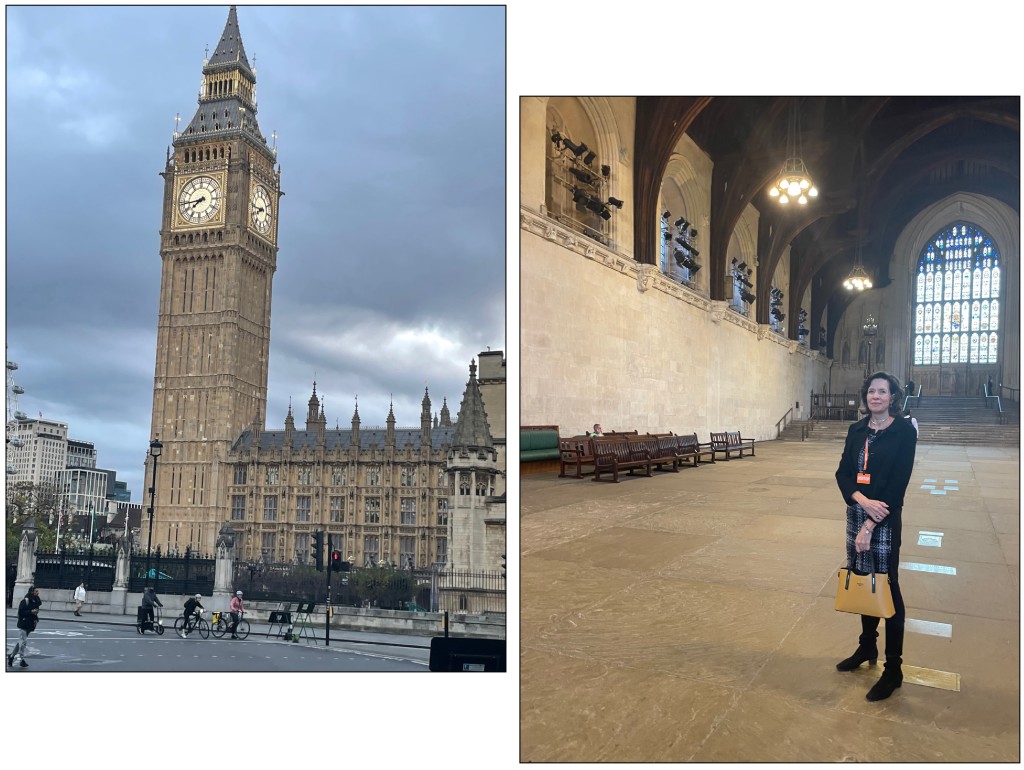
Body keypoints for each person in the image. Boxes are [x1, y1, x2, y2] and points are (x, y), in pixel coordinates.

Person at [835, 371, 917, 702]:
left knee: (886, 585)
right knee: (862, 579)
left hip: (883, 519)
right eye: (871, 391)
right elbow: (843, 472)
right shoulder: (857, 430)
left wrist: (871, 523)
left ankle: (893, 668)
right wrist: (861, 502)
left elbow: (898, 483)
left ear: (893, 397)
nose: (876, 396)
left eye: (883, 392)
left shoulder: (903, 432)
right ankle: (866, 647)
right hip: (858, 512)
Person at [7, 586, 42, 669]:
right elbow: (21, 612)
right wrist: (31, 611)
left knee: (20, 642)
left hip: (30, 624)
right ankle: (21, 659)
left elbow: (35, 613)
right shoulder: (25, 601)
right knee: (23, 642)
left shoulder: (36, 601)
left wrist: (36, 619)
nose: (38, 593)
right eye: (36, 591)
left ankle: (11, 656)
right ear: (32, 592)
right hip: (23, 623)